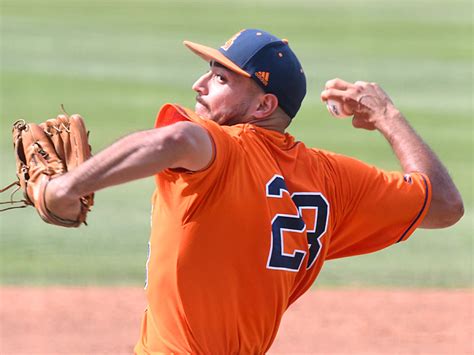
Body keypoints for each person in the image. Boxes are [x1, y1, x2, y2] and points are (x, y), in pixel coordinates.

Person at [44, 29, 463, 353]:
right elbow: (444, 204)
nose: (199, 84)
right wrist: (387, 116)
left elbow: (169, 142)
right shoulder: (334, 181)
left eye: (220, 77)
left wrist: (67, 185)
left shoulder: (225, 150)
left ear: (263, 106)